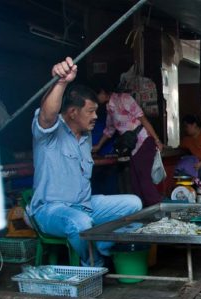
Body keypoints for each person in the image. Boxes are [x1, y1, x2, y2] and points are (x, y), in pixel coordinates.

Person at [29, 57, 142, 267]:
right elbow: (47, 114)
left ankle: (100, 246)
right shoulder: (49, 135)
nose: (95, 117)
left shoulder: (86, 135)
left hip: (86, 205)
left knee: (133, 203)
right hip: (51, 210)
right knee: (80, 223)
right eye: (90, 111)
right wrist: (61, 82)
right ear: (73, 112)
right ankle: (94, 263)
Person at [91, 78, 163, 207]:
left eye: (96, 95)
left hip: (143, 142)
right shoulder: (109, 108)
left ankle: (158, 211)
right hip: (131, 147)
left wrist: (157, 140)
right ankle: (144, 214)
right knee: (135, 182)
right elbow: (110, 130)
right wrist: (98, 146)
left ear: (102, 92)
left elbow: (143, 119)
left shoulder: (124, 98)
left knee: (144, 180)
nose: (95, 99)